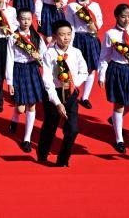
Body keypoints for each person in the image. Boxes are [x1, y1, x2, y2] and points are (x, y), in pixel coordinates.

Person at [37, 19, 88, 167]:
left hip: (71, 92)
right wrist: (57, 103)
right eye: (62, 34)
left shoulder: (76, 52)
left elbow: (84, 72)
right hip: (54, 93)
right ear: (54, 36)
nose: (66, 38)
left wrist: (73, 83)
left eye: (69, 34)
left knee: (73, 129)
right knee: (51, 125)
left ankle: (63, 160)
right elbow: (47, 80)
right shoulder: (49, 54)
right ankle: (42, 154)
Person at [98, 3, 129, 154]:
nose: (126, 20)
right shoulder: (110, 34)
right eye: (123, 16)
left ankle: (114, 119)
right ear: (117, 17)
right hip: (117, 70)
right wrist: (101, 74)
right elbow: (104, 56)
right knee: (119, 105)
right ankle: (119, 139)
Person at [6, 8, 47, 152]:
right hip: (18, 70)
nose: (26, 22)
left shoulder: (36, 36)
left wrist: (38, 56)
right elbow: (9, 59)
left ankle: (27, 139)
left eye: (29, 19)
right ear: (18, 20)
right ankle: (15, 118)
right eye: (23, 19)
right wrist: (9, 81)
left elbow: (45, 54)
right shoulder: (13, 37)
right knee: (20, 108)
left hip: (32, 70)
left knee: (31, 105)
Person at [66, 0, 103, 109]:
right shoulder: (72, 6)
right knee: (75, 67)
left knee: (91, 68)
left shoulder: (95, 5)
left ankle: (85, 97)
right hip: (78, 38)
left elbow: (100, 20)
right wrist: (70, 42)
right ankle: (73, 90)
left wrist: (95, 27)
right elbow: (70, 24)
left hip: (91, 38)